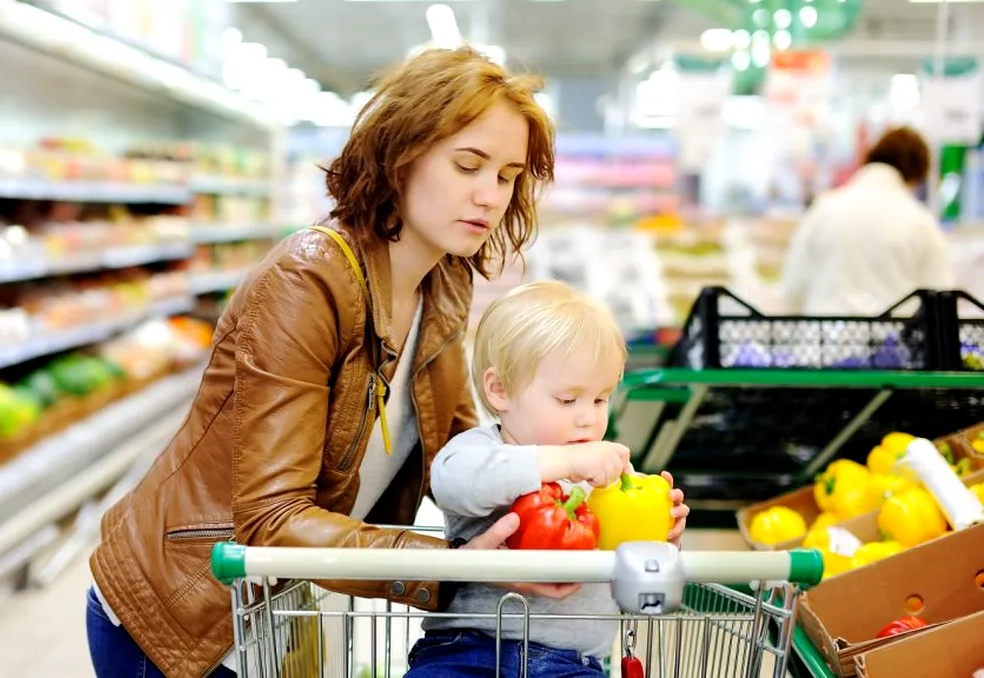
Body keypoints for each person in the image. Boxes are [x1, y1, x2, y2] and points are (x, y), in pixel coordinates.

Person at [86, 46, 561, 678]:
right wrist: (449, 562)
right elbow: (272, 520)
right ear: (401, 156)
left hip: (274, 612)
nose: (489, 195)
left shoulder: (443, 283)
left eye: (506, 176)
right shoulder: (308, 280)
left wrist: (581, 513)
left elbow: (463, 458)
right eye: (468, 164)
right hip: (179, 619)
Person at [406, 281, 690, 677]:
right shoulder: (477, 451)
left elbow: (630, 581)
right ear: (500, 390)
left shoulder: (607, 478)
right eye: (568, 400)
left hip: (573, 664)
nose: (588, 417)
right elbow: (453, 484)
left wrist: (660, 540)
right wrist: (563, 460)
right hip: (464, 652)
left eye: (600, 398)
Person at [779, 126, 953, 316]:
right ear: (915, 176)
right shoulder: (920, 221)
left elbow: (793, 287)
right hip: (894, 342)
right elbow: (940, 298)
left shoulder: (824, 209)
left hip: (824, 340)